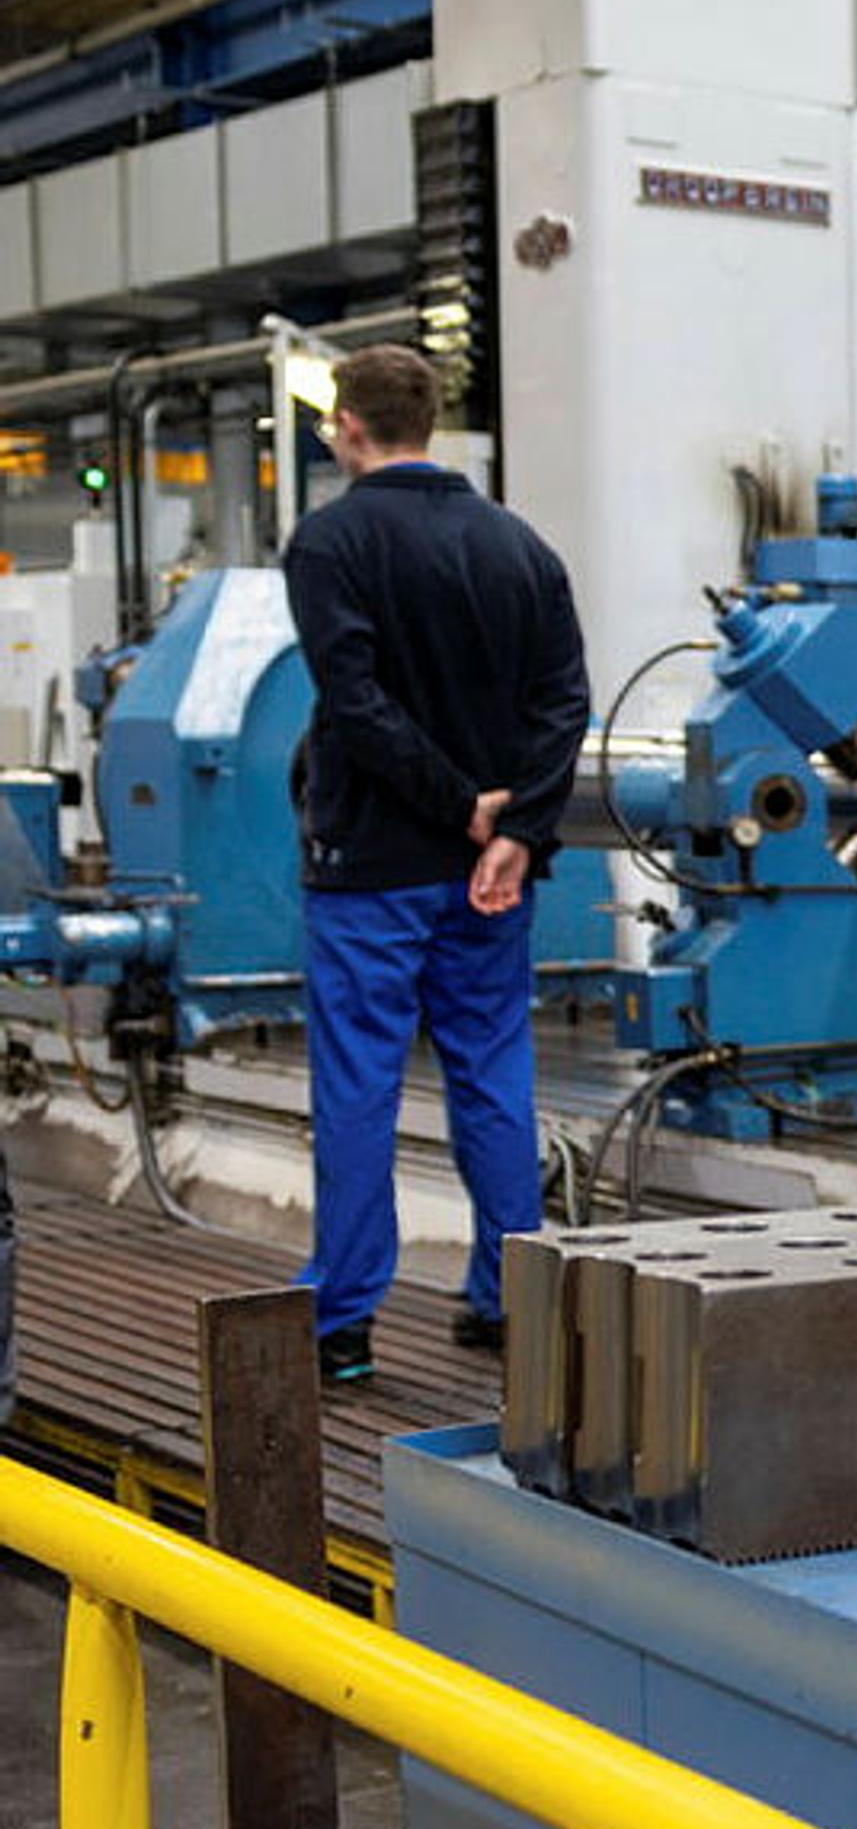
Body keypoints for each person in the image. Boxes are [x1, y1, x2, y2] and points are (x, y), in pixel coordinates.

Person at [284, 344, 591, 1384]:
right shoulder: (519, 545)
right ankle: (512, 1298)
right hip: (489, 876)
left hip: (372, 863)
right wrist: (518, 829)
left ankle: (342, 1322)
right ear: (431, 420)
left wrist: (459, 805)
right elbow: (564, 703)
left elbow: (354, 700)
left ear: (346, 427)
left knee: (361, 1086)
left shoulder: (330, 543)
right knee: (495, 1072)